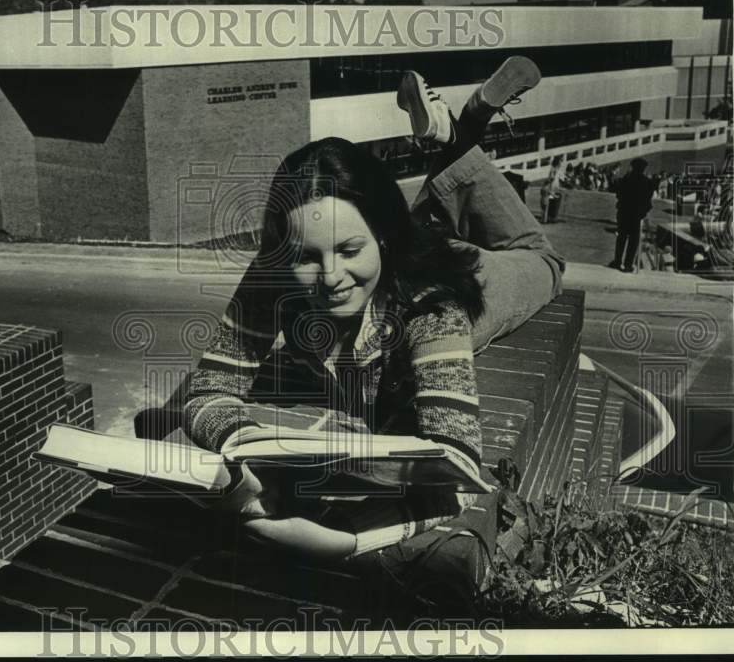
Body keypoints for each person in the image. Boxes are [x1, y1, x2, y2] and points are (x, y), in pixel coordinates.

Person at [181, 56, 564, 570]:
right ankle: (459, 131)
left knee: (543, 257)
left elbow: (458, 468)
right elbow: (207, 389)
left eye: (349, 250)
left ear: (382, 236)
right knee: (419, 220)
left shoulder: (435, 310)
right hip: (401, 242)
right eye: (307, 257)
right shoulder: (279, 267)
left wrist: (346, 538)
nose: (331, 276)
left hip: (476, 275)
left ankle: (464, 129)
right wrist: (238, 445)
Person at [611, 157, 655, 272]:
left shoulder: (626, 178)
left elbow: (618, 193)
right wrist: (643, 212)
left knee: (621, 237)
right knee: (633, 240)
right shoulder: (647, 182)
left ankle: (617, 261)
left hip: (624, 212)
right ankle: (628, 264)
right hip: (636, 214)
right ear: (644, 169)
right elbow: (648, 201)